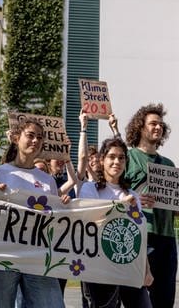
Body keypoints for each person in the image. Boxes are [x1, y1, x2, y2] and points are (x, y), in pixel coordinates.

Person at [0, 118, 67, 308]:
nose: (36, 141)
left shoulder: (48, 180)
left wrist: (64, 205)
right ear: (15, 138)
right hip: (2, 255)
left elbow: (55, 216)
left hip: (37, 254)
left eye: (39, 137)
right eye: (30, 135)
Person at [79, 137, 152, 308]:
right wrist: (120, 207)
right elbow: (89, 223)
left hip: (130, 267)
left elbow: (139, 237)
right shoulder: (89, 189)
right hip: (99, 269)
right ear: (102, 160)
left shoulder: (133, 195)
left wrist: (146, 269)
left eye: (121, 158)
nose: (116, 161)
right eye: (112, 157)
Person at [124, 103, 176, 307]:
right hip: (142, 234)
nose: (158, 128)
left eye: (161, 125)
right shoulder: (128, 158)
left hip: (168, 237)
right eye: (153, 123)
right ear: (140, 127)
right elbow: (116, 192)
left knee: (165, 298)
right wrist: (136, 197)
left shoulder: (169, 165)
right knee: (139, 297)